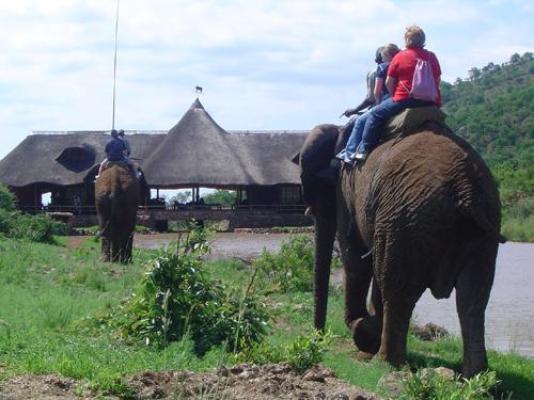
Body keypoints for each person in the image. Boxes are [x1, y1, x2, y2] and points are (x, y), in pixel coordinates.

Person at [353, 25, 441, 161]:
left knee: (376, 114)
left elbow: (389, 82)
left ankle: (364, 149)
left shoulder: (400, 57)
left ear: (407, 40)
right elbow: (437, 79)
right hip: (430, 100)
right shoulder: (432, 56)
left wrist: (394, 95)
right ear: (422, 39)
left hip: (406, 98)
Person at [337, 44, 400, 164]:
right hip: (402, 100)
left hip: (383, 102)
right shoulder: (402, 65)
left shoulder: (376, 71)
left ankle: (347, 155)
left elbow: (371, 98)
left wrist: (354, 110)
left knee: (356, 122)